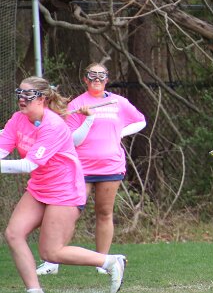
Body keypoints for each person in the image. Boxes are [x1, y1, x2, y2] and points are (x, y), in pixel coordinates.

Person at [0, 76, 126, 293]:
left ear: (42, 98)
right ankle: (34, 290)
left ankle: (110, 261)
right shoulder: (18, 119)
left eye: (28, 94)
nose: (22, 98)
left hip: (65, 189)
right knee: (14, 234)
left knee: (51, 252)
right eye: (19, 93)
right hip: (40, 187)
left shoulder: (53, 125)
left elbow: (29, 164)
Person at [37, 63, 146, 276]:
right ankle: (52, 260)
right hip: (81, 168)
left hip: (111, 166)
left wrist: (120, 133)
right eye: (92, 75)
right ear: (85, 79)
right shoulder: (77, 104)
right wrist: (87, 119)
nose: (97, 79)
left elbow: (140, 121)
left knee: (104, 212)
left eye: (101, 76)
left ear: (107, 79)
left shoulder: (118, 102)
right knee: (69, 213)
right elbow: (71, 140)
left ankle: (102, 261)